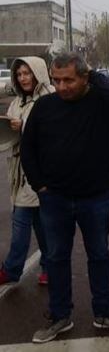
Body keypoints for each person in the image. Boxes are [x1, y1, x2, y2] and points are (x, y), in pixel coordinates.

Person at [21, 52, 109, 343]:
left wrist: (92, 74)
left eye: (69, 79)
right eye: (56, 80)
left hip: (95, 197)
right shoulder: (44, 106)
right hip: (54, 198)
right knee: (56, 257)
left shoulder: (102, 102)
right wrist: (39, 186)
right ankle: (60, 316)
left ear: (85, 77)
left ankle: (104, 312)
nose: (62, 87)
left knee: (99, 254)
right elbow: (28, 147)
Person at [0, 57, 53, 287]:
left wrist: (23, 127)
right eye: (19, 74)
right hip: (19, 172)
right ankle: (49, 266)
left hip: (40, 172)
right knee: (40, 225)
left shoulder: (49, 98)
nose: (23, 78)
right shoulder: (17, 102)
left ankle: (11, 269)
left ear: (38, 73)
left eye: (27, 73)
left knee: (24, 222)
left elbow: (54, 131)